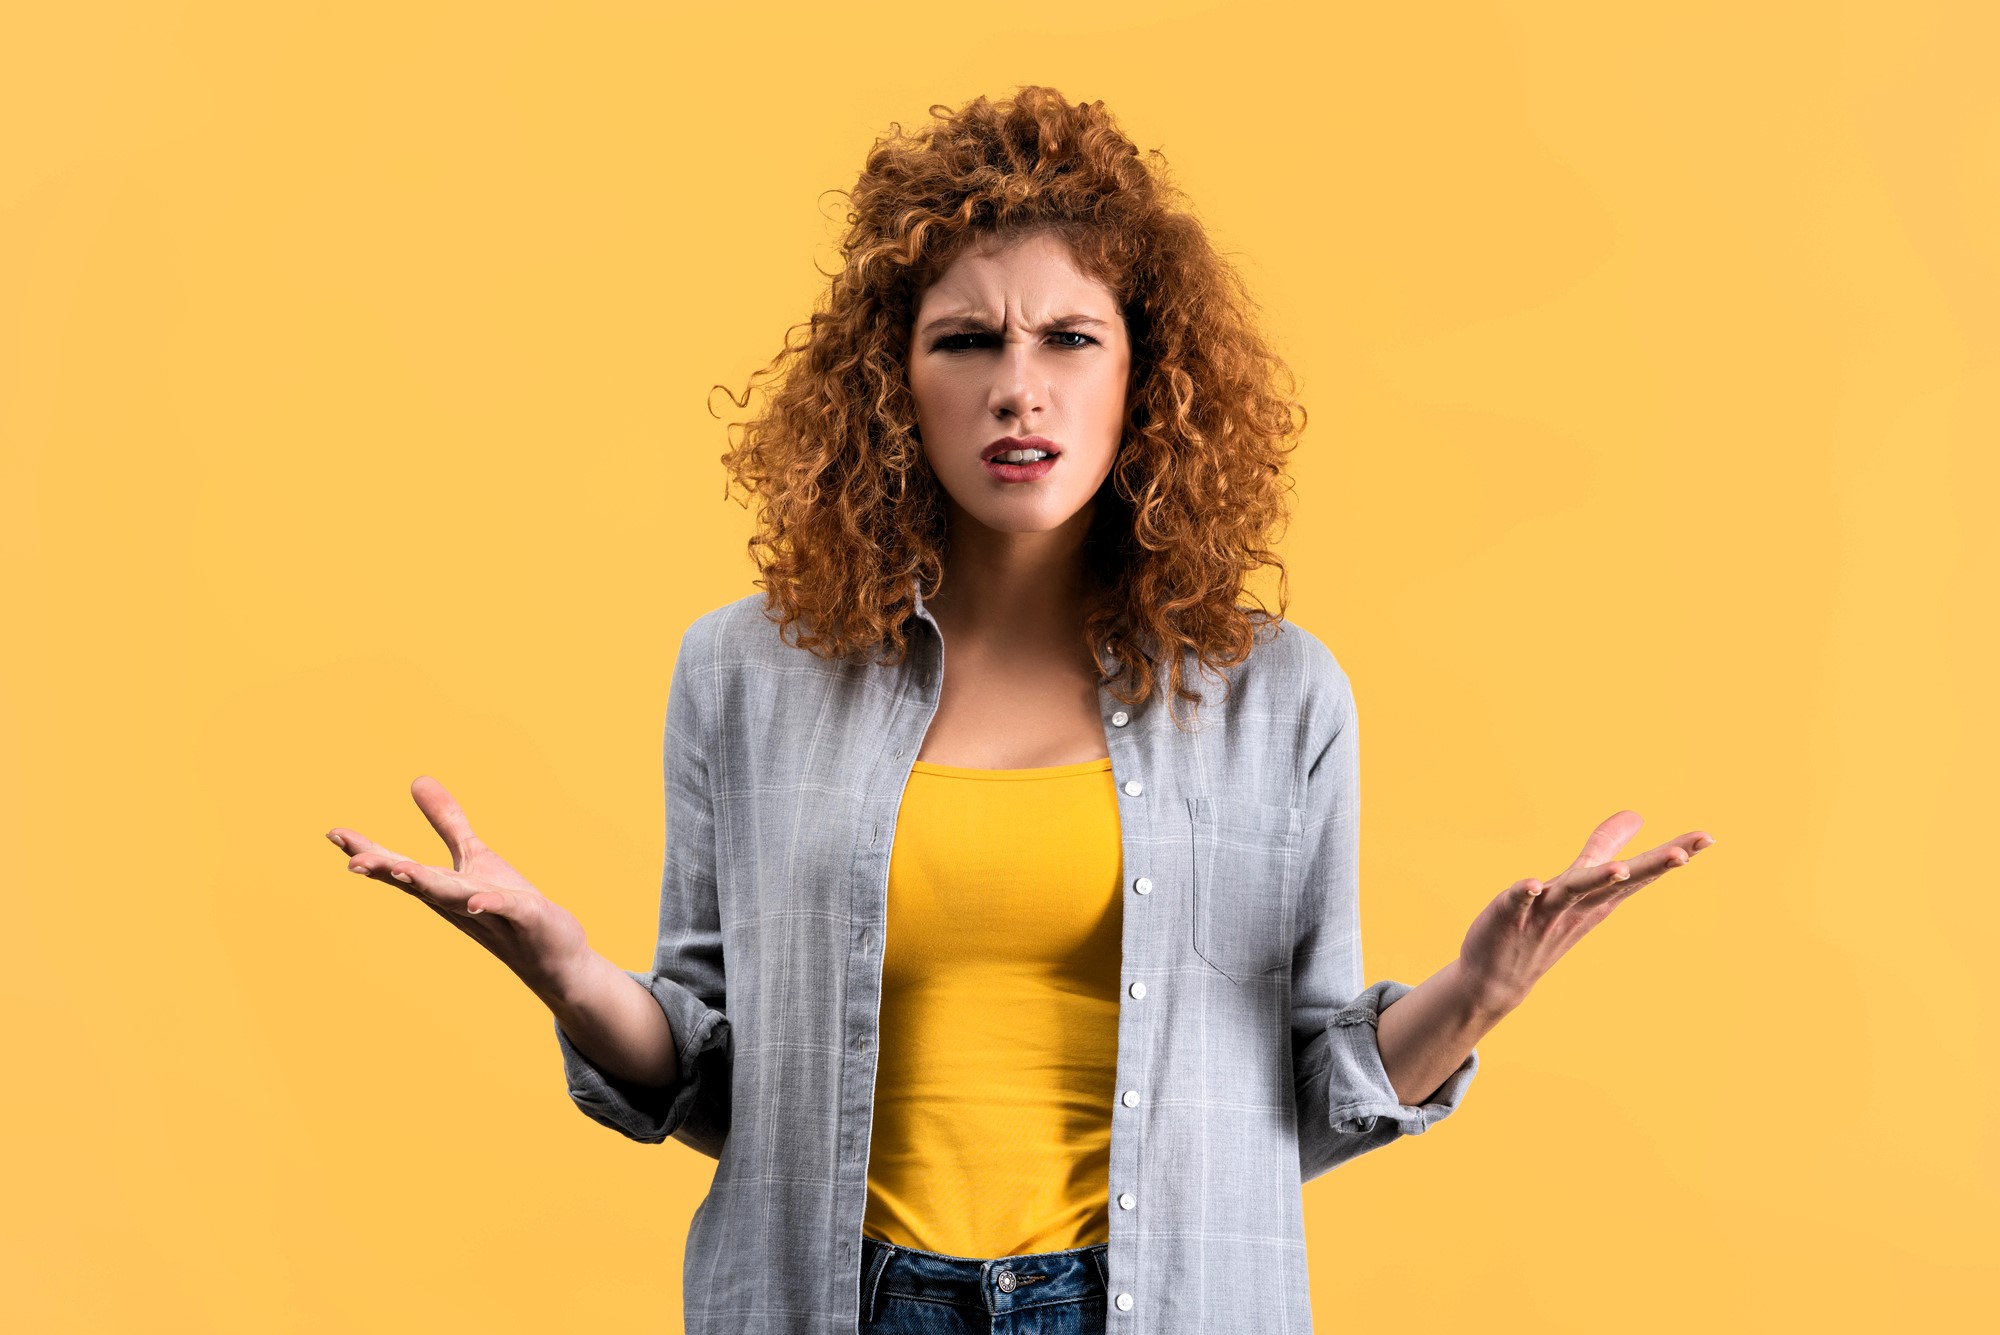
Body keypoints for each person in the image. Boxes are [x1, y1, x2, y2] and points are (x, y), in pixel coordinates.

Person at [324, 86, 1715, 1335]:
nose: (1017, 385)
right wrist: (567, 974)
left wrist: (1479, 994)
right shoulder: (743, 673)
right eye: (965, 339)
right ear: (891, 384)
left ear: (1145, 376)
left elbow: (1298, 1102)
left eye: (1069, 336)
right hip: (839, 1300)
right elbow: (714, 1079)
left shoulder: (1277, 699)